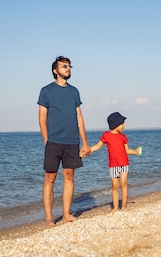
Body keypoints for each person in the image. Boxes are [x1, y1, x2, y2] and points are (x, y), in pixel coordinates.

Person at [38, 56, 91, 227]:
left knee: (69, 176)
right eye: (64, 66)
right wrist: (47, 141)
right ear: (55, 70)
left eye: (69, 66)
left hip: (72, 141)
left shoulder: (74, 91)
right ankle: (48, 218)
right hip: (54, 141)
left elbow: (79, 117)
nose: (68, 69)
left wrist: (85, 142)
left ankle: (67, 214)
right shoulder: (46, 91)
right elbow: (42, 118)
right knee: (50, 178)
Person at [90, 112, 142, 212]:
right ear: (115, 124)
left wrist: (136, 151)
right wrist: (89, 150)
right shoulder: (106, 135)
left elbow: (127, 150)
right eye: (122, 123)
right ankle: (115, 207)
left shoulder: (123, 137)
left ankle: (124, 206)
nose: (124, 125)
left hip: (124, 164)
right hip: (113, 165)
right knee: (114, 185)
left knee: (123, 183)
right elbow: (97, 146)